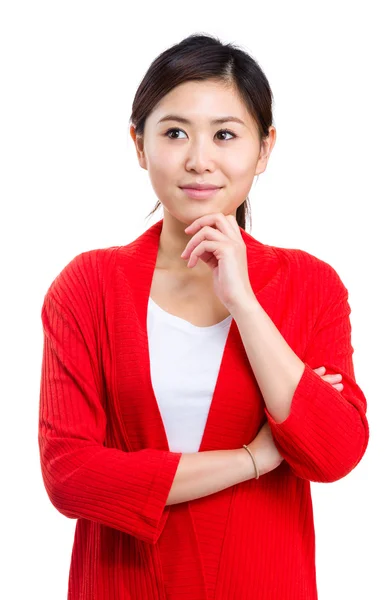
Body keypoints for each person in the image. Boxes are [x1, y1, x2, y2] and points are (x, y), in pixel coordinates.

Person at [38, 33, 369, 600]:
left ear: (264, 149)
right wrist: (255, 459)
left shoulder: (311, 286)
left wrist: (243, 299)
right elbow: (71, 477)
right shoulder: (87, 287)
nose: (199, 160)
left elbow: (334, 452)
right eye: (174, 133)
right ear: (139, 145)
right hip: (123, 585)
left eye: (224, 134)